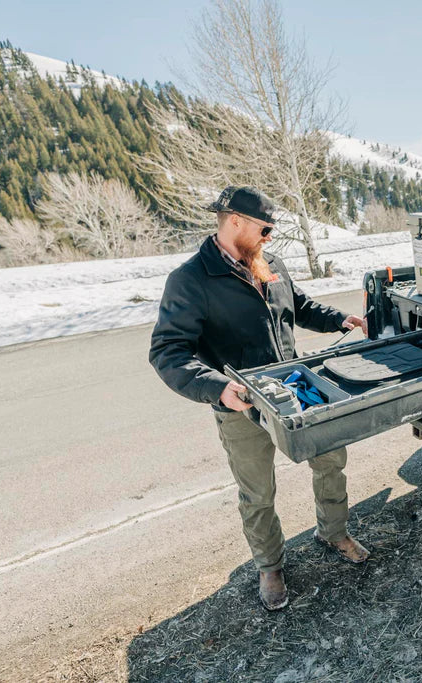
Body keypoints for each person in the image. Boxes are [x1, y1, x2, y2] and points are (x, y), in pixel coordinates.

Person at [149, 185, 369, 611]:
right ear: (235, 222)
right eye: (265, 228)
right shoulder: (190, 280)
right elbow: (167, 351)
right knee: (257, 493)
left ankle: (335, 531)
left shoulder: (270, 263)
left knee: (331, 461)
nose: (269, 237)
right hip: (242, 405)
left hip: (298, 386)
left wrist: (338, 319)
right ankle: (270, 565)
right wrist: (218, 388)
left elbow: (298, 306)